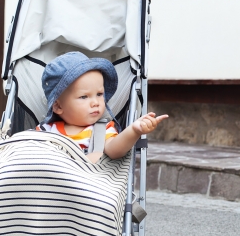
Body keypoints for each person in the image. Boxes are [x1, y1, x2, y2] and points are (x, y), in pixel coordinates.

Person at [36, 51, 167, 162]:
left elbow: (115, 151)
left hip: (87, 188)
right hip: (50, 187)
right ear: (58, 107)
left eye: (99, 94)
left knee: (99, 155)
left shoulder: (103, 130)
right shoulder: (45, 131)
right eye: (84, 97)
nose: (96, 102)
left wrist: (134, 130)